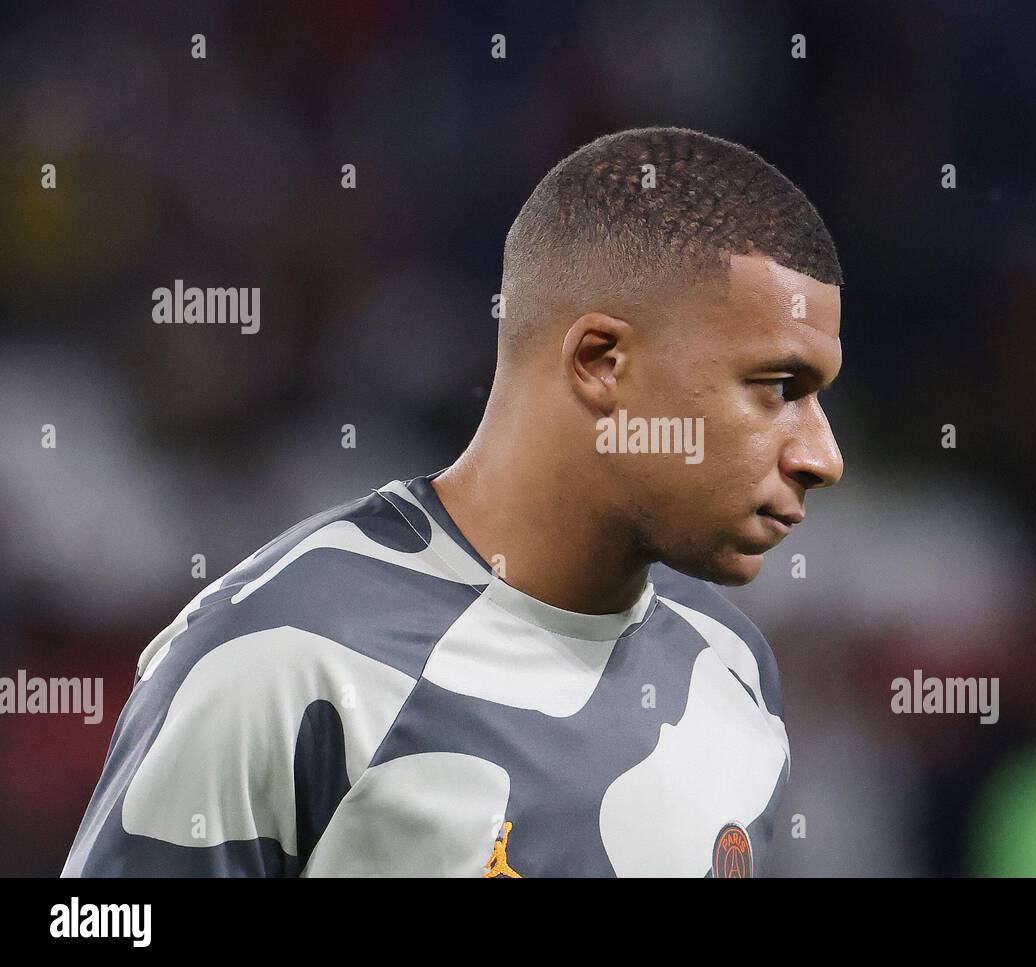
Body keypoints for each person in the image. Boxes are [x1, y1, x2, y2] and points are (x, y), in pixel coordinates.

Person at [63, 126, 845, 877]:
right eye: (778, 387)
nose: (823, 456)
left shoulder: (735, 667)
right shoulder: (283, 655)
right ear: (603, 362)